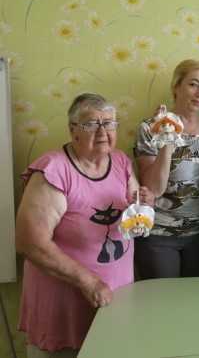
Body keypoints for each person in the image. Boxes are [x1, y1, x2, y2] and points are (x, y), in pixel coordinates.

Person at [15, 93, 153, 358]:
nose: (102, 132)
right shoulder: (54, 170)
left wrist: (143, 204)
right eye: (91, 124)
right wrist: (88, 282)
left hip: (114, 297)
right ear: (73, 130)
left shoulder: (121, 161)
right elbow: (30, 242)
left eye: (109, 123)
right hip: (63, 305)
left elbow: (133, 209)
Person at [134, 59, 199, 279]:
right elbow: (153, 189)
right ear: (176, 86)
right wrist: (167, 141)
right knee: (163, 297)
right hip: (159, 234)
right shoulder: (150, 127)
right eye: (193, 84)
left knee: (194, 297)